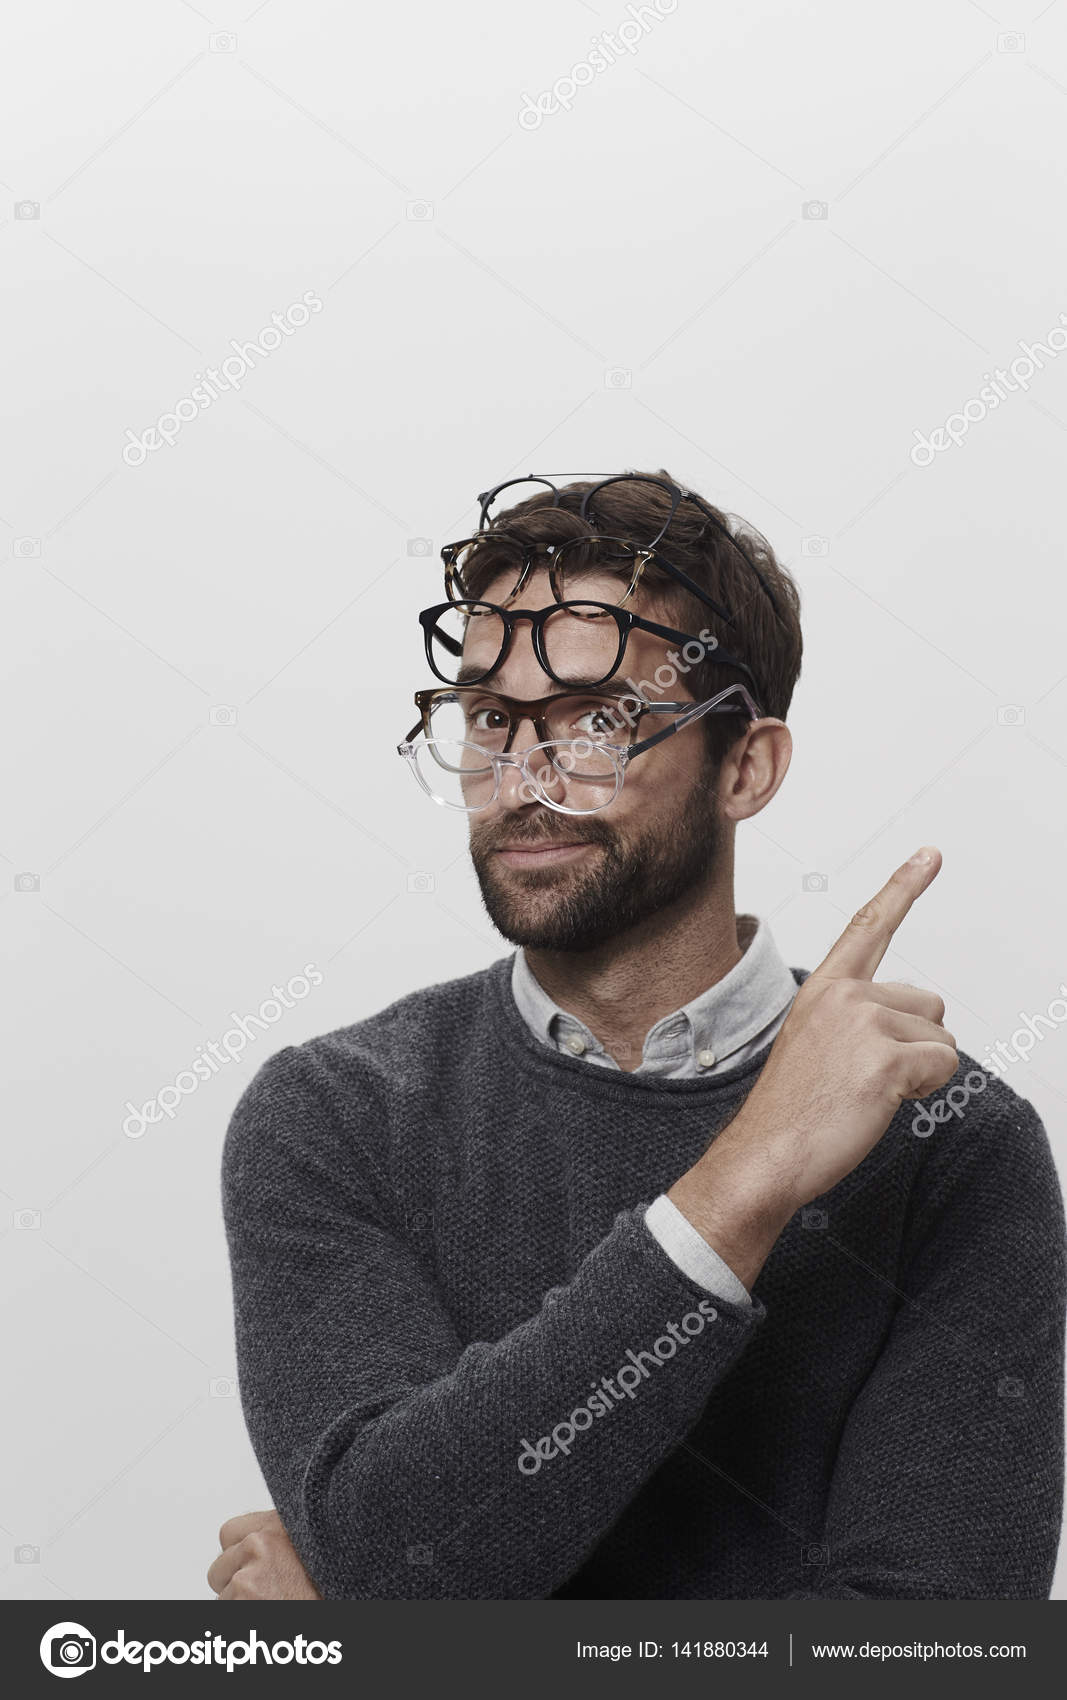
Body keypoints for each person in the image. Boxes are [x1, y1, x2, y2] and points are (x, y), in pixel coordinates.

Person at [210, 473, 1065, 1601]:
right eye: (489, 720)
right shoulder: (336, 1112)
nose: (523, 779)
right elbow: (398, 1554)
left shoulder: (948, 1137)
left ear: (745, 767)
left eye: (599, 722)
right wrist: (741, 1182)